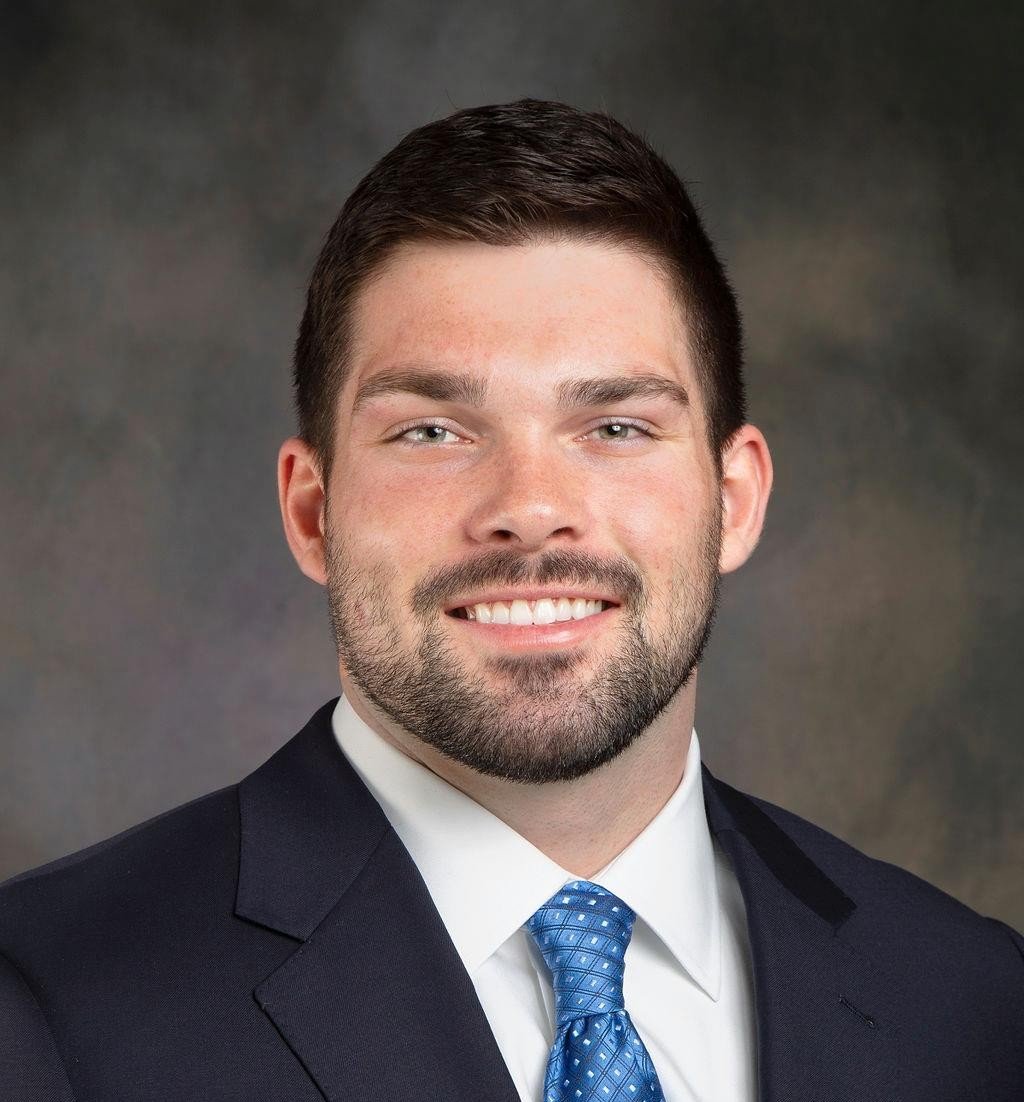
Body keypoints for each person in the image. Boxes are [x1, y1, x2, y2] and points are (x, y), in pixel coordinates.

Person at [0, 98, 1020, 1102]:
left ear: (735, 499)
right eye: (432, 432)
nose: (530, 510)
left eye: (615, 426)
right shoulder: (43, 1003)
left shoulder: (974, 1003)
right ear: (312, 513)